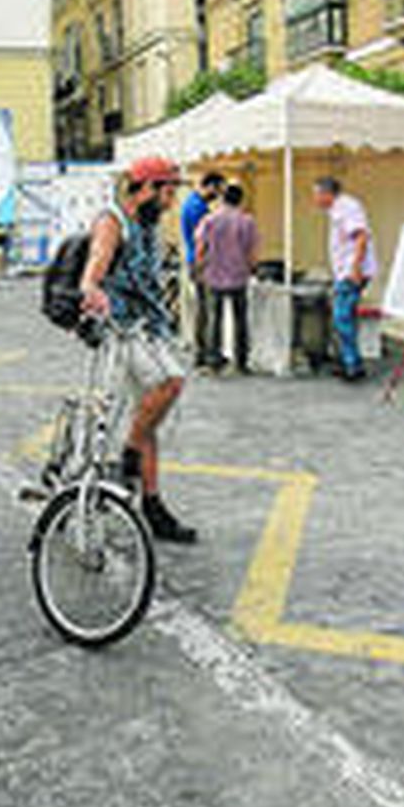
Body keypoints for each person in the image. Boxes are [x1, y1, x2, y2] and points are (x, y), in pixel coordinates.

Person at [81, 156, 197, 544]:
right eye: (166, 191)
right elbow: (96, 264)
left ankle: (152, 504)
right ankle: (127, 454)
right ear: (145, 187)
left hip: (149, 328)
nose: (170, 201)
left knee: (151, 414)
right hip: (122, 331)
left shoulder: (148, 224)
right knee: (169, 384)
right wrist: (92, 289)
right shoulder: (112, 221)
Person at [313, 177, 379, 382]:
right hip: (346, 271)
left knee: (342, 317)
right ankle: (348, 360)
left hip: (351, 272)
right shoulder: (338, 209)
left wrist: (355, 269)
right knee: (343, 316)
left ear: (327, 194)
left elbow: (361, 237)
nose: (314, 199)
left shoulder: (348, 207)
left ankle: (352, 365)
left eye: (316, 194)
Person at [195, 183, 259, 375]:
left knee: (215, 319)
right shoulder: (247, 221)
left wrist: (199, 268)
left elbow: (200, 247)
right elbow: (252, 251)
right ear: (240, 200)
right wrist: (252, 269)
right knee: (241, 320)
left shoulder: (209, 220)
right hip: (239, 275)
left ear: (223, 199)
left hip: (214, 275)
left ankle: (213, 360)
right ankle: (242, 360)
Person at [180, 172, 226, 366]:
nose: (218, 194)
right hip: (202, 262)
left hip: (194, 259)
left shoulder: (190, 202)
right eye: (218, 189)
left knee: (202, 307)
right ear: (210, 186)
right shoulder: (198, 208)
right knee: (208, 308)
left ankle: (202, 350)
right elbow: (202, 240)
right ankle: (207, 352)